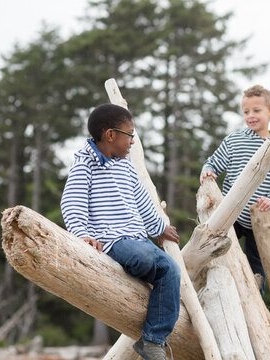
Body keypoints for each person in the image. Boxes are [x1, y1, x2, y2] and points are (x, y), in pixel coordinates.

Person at [61, 103, 181, 360]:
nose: (133, 142)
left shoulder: (126, 167)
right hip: (111, 241)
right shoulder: (85, 166)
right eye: (130, 135)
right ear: (110, 135)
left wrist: (160, 229)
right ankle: (151, 332)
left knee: (171, 270)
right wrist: (82, 235)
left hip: (137, 238)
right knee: (148, 260)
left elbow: (142, 202)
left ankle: (153, 340)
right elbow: (72, 203)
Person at [200, 85, 270, 296]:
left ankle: (256, 302)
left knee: (257, 267)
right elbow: (213, 162)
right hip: (230, 212)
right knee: (215, 255)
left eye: (256, 110)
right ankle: (212, 292)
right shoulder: (235, 140)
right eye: (246, 112)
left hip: (259, 217)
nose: (251, 116)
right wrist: (207, 172)